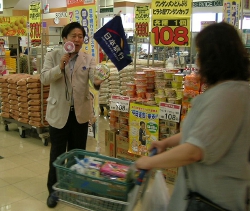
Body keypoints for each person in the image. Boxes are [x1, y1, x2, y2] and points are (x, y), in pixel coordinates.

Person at [136, 22, 250, 211]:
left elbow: (195, 150)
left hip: (213, 202)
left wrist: (150, 162)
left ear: (212, 57)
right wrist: (166, 142)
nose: (198, 61)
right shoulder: (229, 90)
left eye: (200, 53)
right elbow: (205, 131)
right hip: (204, 197)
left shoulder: (229, 96)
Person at [40, 22, 106, 208]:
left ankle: (73, 186)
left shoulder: (88, 59)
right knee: (57, 153)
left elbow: (94, 80)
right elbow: (44, 78)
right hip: (58, 113)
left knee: (78, 154)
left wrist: (99, 81)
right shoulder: (53, 55)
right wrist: (59, 67)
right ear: (65, 39)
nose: (77, 40)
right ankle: (53, 190)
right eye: (73, 36)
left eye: (80, 36)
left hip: (80, 114)